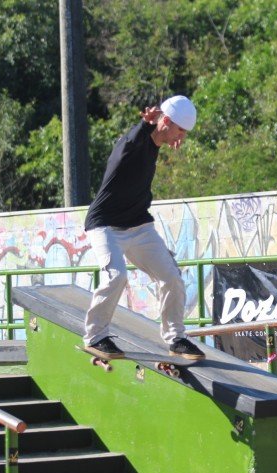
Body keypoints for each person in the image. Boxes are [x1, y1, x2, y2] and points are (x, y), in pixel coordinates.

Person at [83, 95, 205, 360]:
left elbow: (154, 138)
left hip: (138, 224)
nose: (182, 138)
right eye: (181, 131)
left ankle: (176, 338)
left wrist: (159, 130)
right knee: (116, 275)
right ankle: (95, 337)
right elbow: (128, 144)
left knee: (171, 276)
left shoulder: (156, 143)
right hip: (104, 224)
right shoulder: (133, 143)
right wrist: (143, 126)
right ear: (166, 122)